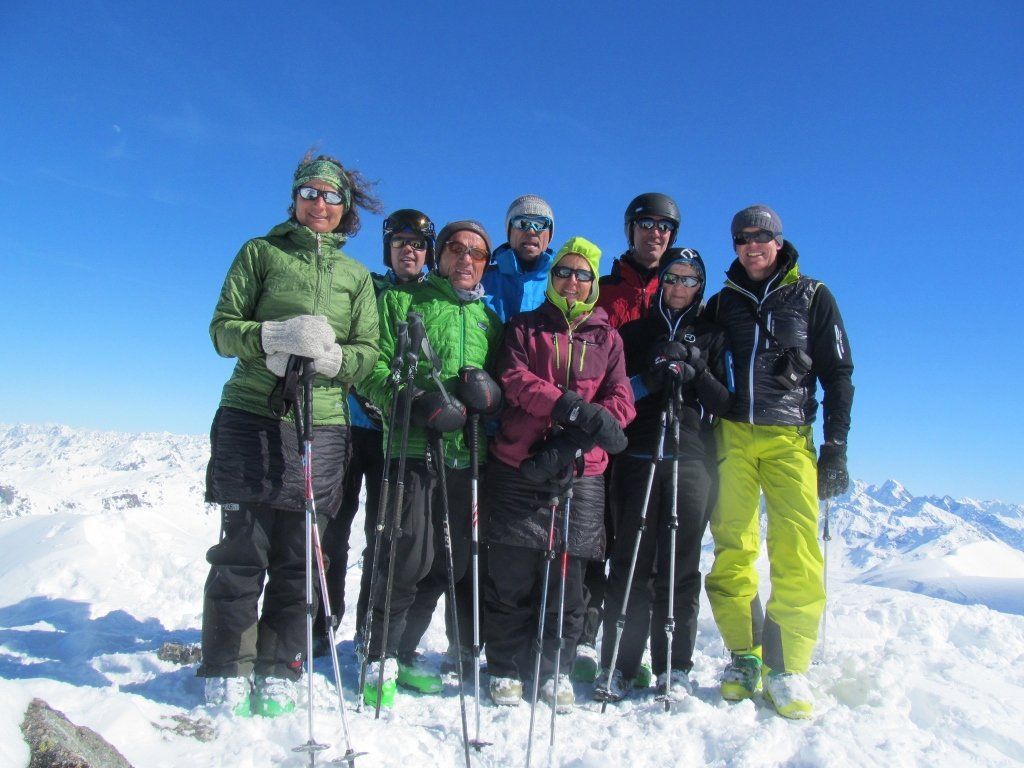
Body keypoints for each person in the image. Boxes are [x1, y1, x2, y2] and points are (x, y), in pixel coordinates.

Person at [198, 152, 381, 717]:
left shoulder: (356, 277)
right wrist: (272, 337)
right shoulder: (261, 252)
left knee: (302, 554)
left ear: (345, 209)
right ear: (295, 198)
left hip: (323, 424)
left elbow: (368, 353)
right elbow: (222, 330)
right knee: (242, 548)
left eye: (331, 196)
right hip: (253, 412)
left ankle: (281, 663)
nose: (318, 202)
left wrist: (333, 359)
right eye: (309, 191)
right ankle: (230, 663)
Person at [702, 204, 854, 719]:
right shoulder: (723, 301)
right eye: (742, 237)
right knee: (733, 545)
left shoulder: (813, 295)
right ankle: (745, 656)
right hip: (733, 435)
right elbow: (696, 354)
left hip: (791, 437)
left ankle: (786, 667)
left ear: (778, 240)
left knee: (796, 548)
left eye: (761, 236)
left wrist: (835, 447)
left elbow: (838, 374)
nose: (752, 245)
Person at [483, 236, 635, 712]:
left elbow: (621, 400)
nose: (572, 281)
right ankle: (506, 666)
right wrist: (571, 408)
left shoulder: (607, 337)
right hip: (519, 462)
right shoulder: (525, 326)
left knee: (568, 577)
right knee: (511, 574)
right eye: (564, 273)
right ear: (552, 279)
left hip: (579, 469)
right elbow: (513, 380)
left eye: (582, 275)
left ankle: (555, 668)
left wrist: (577, 433)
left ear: (593, 284)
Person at [359, 220, 503, 708]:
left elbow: (502, 384)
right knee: (407, 557)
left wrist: (489, 397)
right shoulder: (403, 302)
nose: (466, 259)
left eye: (477, 254)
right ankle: (377, 655)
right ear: (440, 255)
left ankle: (403, 649)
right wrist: (417, 402)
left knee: (450, 564)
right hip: (412, 449)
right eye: (457, 250)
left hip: (468, 457)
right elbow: (372, 369)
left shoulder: (488, 320)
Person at [595, 247, 732, 702]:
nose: (679, 287)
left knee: (681, 566)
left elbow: (725, 403)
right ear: (662, 282)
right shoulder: (635, 332)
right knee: (631, 561)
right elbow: (613, 392)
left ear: (700, 286)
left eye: (690, 279)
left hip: (690, 457)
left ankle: (674, 666)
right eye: (672, 277)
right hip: (637, 455)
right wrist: (651, 376)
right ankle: (619, 664)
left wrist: (696, 370)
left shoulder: (713, 335)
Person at [314, 209, 435, 656]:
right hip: (349, 427)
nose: (410, 250)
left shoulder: (435, 298)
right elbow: (347, 343)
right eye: (401, 241)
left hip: (398, 434)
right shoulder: (368, 288)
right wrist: (365, 389)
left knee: (385, 535)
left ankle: (371, 631)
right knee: (332, 529)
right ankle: (319, 624)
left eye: (418, 244)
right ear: (388, 248)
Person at [573, 192, 682, 684]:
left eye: (664, 226)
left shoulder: (681, 286)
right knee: (598, 536)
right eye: (646, 223)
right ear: (630, 229)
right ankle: (587, 637)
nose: (655, 232)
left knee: (645, 546)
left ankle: (631, 645)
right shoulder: (605, 288)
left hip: (654, 438)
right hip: (605, 428)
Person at [482, 194, 556, 321]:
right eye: (522, 223)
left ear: (549, 235)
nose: (531, 231)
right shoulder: (480, 281)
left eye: (540, 223)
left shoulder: (562, 284)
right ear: (509, 232)